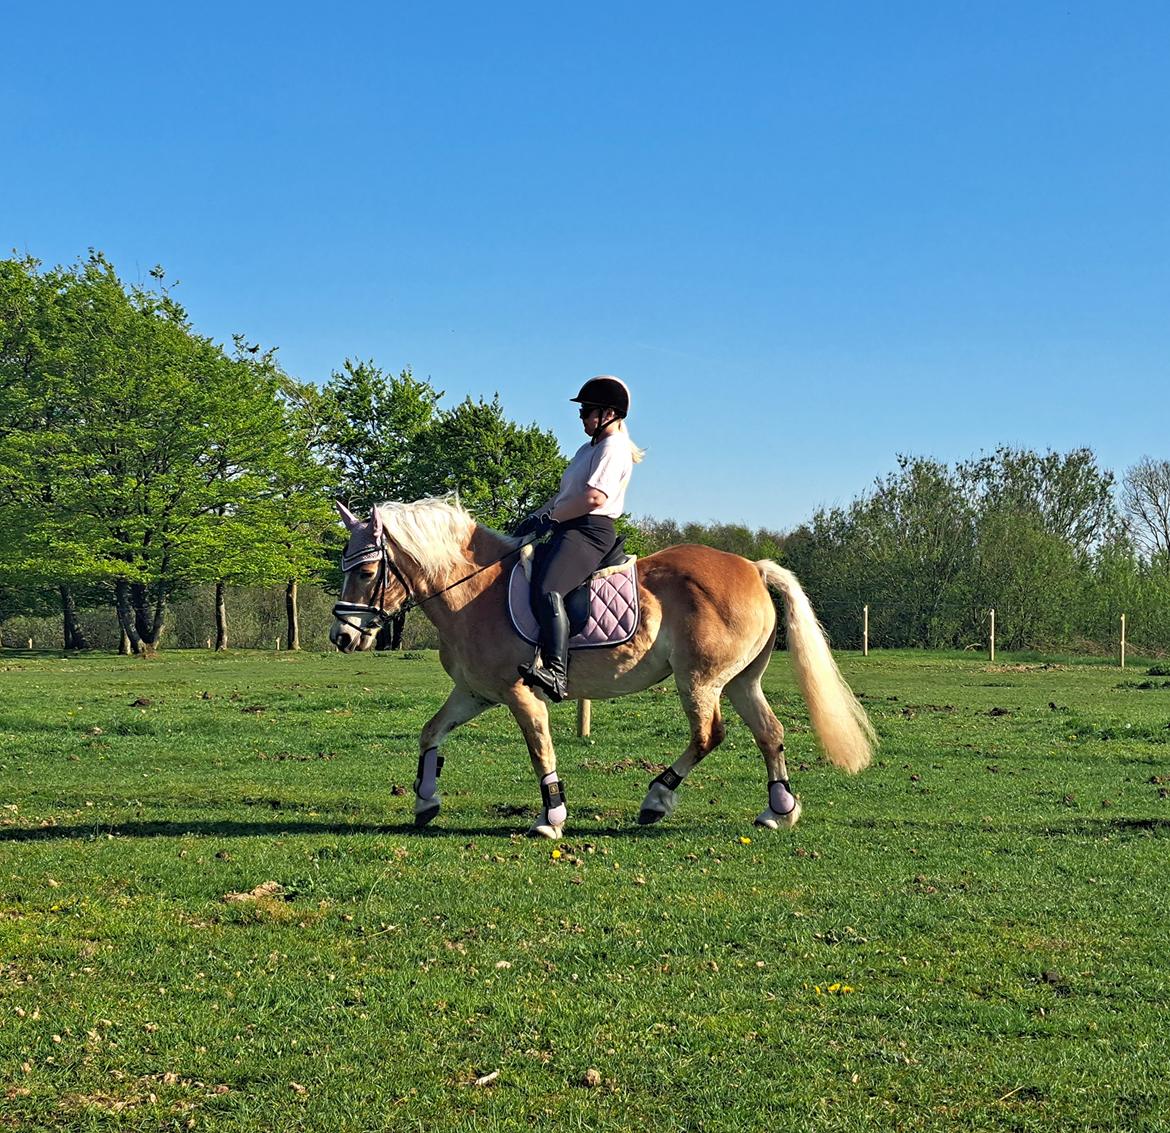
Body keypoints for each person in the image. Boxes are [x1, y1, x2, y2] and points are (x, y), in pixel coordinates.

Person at [513, 375, 643, 701]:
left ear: (608, 414)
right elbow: (564, 496)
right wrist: (536, 516)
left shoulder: (614, 449)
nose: (581, 417)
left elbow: (594, 498)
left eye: (586, 411)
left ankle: (556, 673)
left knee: (549, 588)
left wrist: (552, 517)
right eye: (582, 411)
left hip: (590, 530)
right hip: (569, 525)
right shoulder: (588, 449)